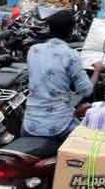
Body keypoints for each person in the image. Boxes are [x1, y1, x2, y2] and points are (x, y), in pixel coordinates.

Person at [22, 10, 96, 139]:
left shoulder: (33, 50)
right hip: (59, 126)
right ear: (71, 31)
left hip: (29, 124)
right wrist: (97, 71)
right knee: (89, 138)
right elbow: (86, 91)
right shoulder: (71, 55)